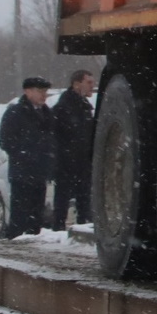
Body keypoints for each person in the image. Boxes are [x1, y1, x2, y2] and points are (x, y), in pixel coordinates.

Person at [0, 76, 57, 236]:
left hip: (40, 173)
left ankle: (31, 242)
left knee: (36, 217)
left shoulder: (47, 114)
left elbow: (52, 141)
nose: (44, 95)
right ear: (27, 91)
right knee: (20, 216)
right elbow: (5, 141)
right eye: (40, 91)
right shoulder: (16, 112)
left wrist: (49, 161)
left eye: (45, 92)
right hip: (22, 173)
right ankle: (14, 245)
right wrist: (25, 154)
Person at [52, 69, 97, 226]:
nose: (93, 86)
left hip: (83, 163)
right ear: (77, 84)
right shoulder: (64, 107)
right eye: (89, 82)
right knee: (62, 201)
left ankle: (83, 226)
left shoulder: (85, 107)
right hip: (66, 163)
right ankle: (58, 229)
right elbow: (56, 135)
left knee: (84, 200)